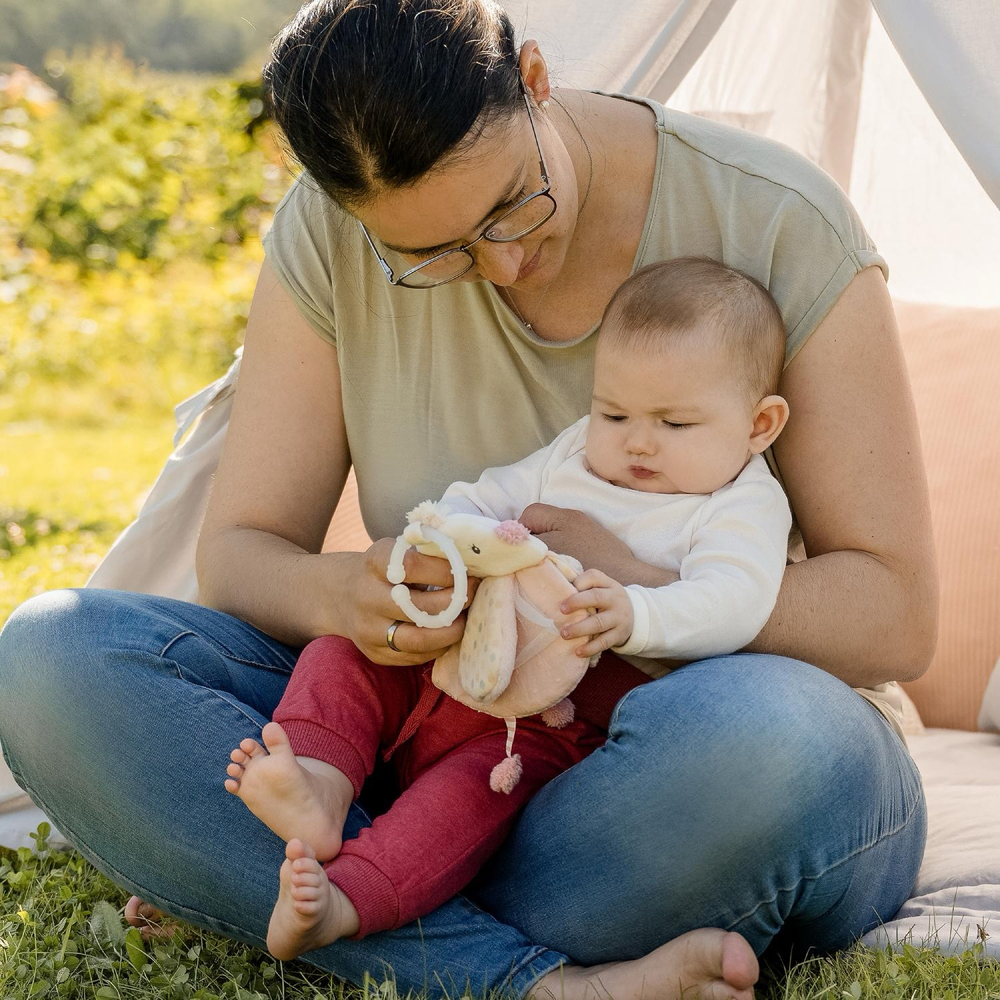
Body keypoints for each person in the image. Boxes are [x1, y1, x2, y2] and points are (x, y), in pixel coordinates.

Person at [0, 1, 934, 998]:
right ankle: (528, 975)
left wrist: (633, 588)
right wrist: (349, 593)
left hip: (664, 768)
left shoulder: (775, 218)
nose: (501, 266)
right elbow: (241, 550)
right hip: (437, 736)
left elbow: (896, 616)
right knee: (53, 658)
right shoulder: (326, 238)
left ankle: (286, 889)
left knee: (776, 743)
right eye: (429, 257)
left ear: (534, 79)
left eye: (509, 208)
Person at [225, 256, 794, 963]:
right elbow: (491, 494)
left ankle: (346, 903)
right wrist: (447, 532)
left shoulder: (738, 503)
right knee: (340, 653)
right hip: (453, 656)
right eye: (613, 412)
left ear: (760, 424)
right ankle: (317, 784)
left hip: (547, 718)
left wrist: (637, 615)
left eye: (675, 423)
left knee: (468, 801)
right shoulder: (577, 456)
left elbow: (737, 600)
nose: (637, 441)